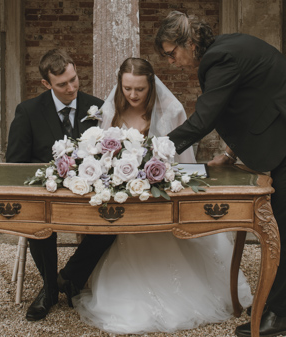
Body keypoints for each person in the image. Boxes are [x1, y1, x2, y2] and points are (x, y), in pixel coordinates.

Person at [154, 12, 286, 337]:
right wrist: (230, 154)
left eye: (171, 53)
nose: (170, 61)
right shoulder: (222, 51)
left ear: (189, 43)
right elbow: (246, 105)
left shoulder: (219, 59)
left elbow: (204, 118)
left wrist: (156, 150)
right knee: (284, 219)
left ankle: (281, 316)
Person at [73, 57, 253, 334]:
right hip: (126, 200)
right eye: (127, 88)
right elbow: (103, 157)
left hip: (161, 199)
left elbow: (183, 164)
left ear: (152, 85)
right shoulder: (110, 110)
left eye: (140, 89)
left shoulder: (171, 110)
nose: (133, 95)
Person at [5, 48, 116, 321]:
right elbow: (15, 165)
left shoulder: (98, 108)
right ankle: (49, 289)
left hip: (90, 197)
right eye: (62, 84)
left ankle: (69, 277)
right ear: (46, 83)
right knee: (38, 224)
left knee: (115, 221)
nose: (71, 88)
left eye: (74, 79)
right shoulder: (28, 111)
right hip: (47, 197)